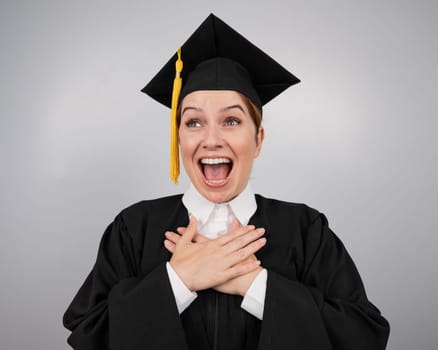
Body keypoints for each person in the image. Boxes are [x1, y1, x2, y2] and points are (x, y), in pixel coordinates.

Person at [63, 14, 390, 350]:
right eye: (193, 123)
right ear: (179, 139)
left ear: (258, 139)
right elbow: (88, 333)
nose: (211, 139)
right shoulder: (134, 228)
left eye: (231, 120)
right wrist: (178, 281)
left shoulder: (305, 230)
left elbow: (364, 336)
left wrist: (255, 284)